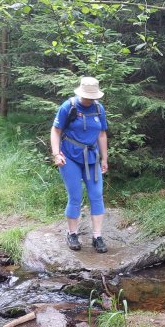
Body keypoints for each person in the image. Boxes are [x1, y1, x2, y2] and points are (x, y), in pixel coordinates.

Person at [50, 76, 109, 253]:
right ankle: (72, 233)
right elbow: (56, 130)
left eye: (92, 96)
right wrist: (56, 153)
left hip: (92, 158)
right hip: (70, 157)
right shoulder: (69, 106)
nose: (89, 100)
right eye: (87, 96)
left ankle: (97, 236)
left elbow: (101, 135)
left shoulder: (99, 108)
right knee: (75, 196)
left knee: (97, 195)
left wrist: (104, 158)